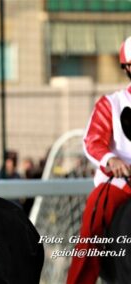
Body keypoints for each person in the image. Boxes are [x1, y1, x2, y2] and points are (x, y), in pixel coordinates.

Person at [66, 36, 131, 284]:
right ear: (127, 68)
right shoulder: (111, 103)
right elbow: (93, 140)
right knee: (95, 212)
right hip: (119, 184)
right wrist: (111, 160)